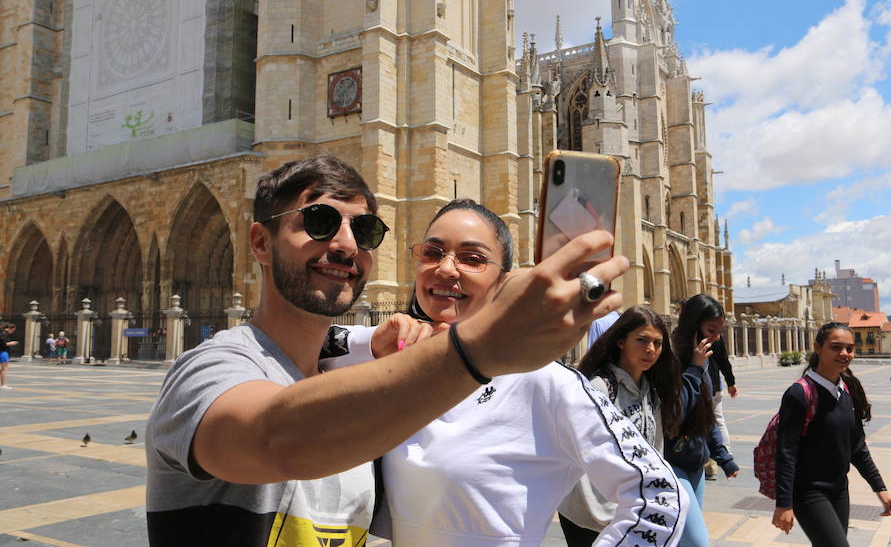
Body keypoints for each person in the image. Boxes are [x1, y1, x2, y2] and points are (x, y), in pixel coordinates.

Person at [144, 156, 631, 546]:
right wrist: (480, 348)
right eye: (318, 221)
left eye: (365, 231)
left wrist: (374, 343)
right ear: (261, 242)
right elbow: (279, 440)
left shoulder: (350, 369)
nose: (344, 244)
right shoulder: (211, 368)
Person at [324, 199, 686, 546]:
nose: (446, 268)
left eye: (473, 259)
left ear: (504, 283)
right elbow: (305, 345)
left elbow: (660, 496)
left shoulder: (547, 383)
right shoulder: (398, 360)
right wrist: (374, 342)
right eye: (433, 253)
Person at [556, 305, 683, 546]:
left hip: (629, 511)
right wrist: (608, 515)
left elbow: (653, 454)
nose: (651, 350)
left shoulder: (651, 392)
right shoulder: (600, 389)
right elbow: (582, 460)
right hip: (590, 516)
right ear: (621, 341)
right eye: (642, 340)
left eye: (657, 343)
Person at [772, 322, 891, 546]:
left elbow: (857, 448)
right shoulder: (799, 393)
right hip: (808, 492)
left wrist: (881, 489)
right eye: (836, 347)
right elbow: (786, 452)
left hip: (839, 489)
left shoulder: (846, 390)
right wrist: (784, 503)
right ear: (818, 348)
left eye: (849, 348)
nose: (844, 353)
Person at [666, 293, 739, 547]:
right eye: (711, 330)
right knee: (697, 543)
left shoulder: (703, 363)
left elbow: (705, 416)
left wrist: (723, 457)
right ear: (693, 325)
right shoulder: (668, 360)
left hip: (695, 462)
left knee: (680, 541)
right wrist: (695, 369)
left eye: (719, 331)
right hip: (670, 463)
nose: (716, 338)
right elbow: (675, 414)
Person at [704, 337, 738, 480]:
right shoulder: (716, 336)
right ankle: (726, 457)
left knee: (704, 423)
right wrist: (731, 382)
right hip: (715, 385)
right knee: (718, 421)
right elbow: (724, 360)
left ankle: (712, 465)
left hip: (701, 386)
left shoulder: (689, 333)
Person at [0, 322, 17, 389]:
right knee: (4, 369)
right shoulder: (3, 334)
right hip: (3, 352)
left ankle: (3, 384)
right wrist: (11, 343)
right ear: (10, 329)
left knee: (3, 369)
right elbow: (3, 344)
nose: (13, 332)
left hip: (2, 352)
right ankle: (3, 385)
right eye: (13, 330)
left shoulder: (2, 333)